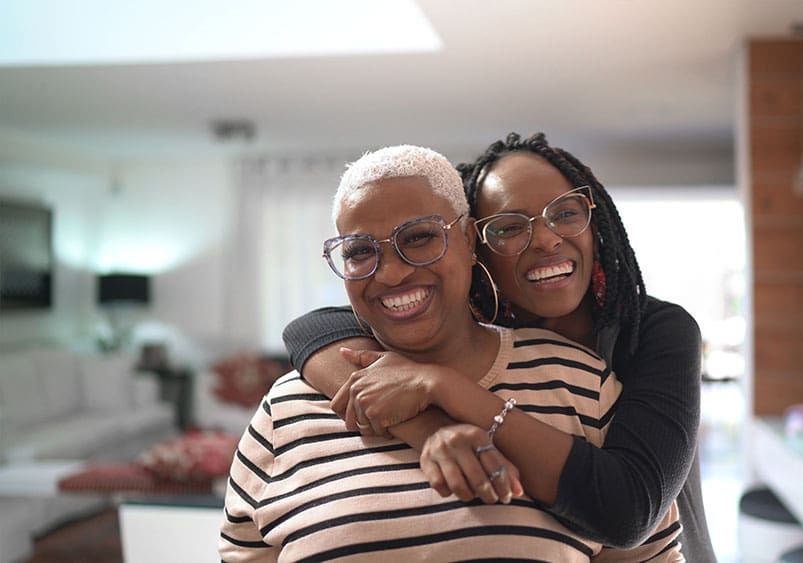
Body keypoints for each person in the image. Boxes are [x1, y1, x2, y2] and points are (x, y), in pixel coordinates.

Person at [219, 145, 683, 561]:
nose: (392, 273)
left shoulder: (583, 381)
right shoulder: (289, 407)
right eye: (360, 251)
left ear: (467, 239)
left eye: (419, 237)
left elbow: (636, 527)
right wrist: (427, 428)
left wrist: (441, 389)